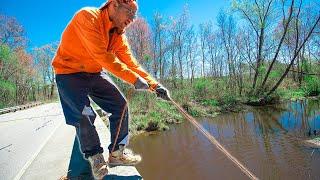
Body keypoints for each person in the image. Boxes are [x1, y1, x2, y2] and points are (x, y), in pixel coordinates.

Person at [51, 0, 170, 179]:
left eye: (135, 15)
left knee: (120, 105)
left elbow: (131, 63)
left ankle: (116, 154)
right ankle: (95, 156)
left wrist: (155, 85)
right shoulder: (88, 17)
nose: (132, 19)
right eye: (130, 12)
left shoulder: (118, 35)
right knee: (84, 113)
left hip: (94, 72)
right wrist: (134, 80)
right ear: (113, 5)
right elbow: (103, 56)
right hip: (69, 72)